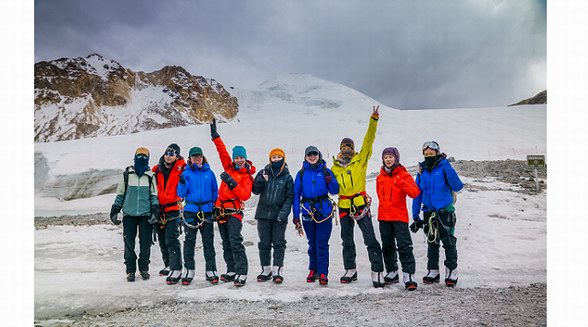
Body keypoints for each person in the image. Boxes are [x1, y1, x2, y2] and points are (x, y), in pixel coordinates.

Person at [331, 105, 385, 288]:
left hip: (360, 205)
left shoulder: (360, 160)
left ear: (353, 149)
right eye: (343, 146)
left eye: (349, 146)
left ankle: (377, 270)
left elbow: (368, 141)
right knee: (347, 239)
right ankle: (350, 270)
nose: (346, 149)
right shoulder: (334, 167)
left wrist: (373, 121)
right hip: (344, 205)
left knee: (369, 237)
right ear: (340, 148)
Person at [210, 119, 256, 287]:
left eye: (241, 157)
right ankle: (231, 269)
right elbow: (222, 153)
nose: (238, 160)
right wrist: (216, 137)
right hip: (221, 211)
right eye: (236, 157)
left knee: (235, 240)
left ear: (245, 158)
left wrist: (232, 183)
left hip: (234, 212)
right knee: (226, 242)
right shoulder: (229, 168)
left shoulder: (247, 176)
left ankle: (242, 271)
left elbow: (244, 195)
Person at [411, 141, 464, 287]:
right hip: (428, 212)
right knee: (432, 242)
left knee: (448, 242)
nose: (428, 156)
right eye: (426, 154)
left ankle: (451, 270)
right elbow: (417, 193)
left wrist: (446, 164)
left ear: (437, 153)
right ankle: (433, 271)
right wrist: (415, 216)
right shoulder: (422, 171)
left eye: (431, 154)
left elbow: (458, 186)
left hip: (444, 211)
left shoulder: (444, 167)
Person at [109, 147, 160, 282]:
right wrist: (115, 209)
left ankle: (144, 268)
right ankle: (130, 270)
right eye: (139, 156)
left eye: (144, 156)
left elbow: (154, 195)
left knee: (145, 243)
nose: (141, 159)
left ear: (148, 158)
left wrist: (155, 210)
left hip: (145, 215)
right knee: (129, 243)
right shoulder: (127, 175)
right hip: (129, 215)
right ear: (135, 157)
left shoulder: (150, 176)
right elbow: (120, 194)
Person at [293, 146, 339, 286]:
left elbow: (335, 190)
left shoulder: (326, 171)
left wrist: (330, 180)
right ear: (305, 157)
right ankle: (313, 269)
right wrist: (296, 216)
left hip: (324, 211)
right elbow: (296, 195)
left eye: (314, 154)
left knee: (322, 243)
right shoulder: (301, 174)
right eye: (309, 155)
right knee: (312, 243)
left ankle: (323, 272)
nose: (312, 157)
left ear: (318, 155)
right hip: (308, 212)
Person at [376, 147, 421, 290]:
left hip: (399, 217)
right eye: (386, 157)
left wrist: (400, 181)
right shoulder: (380, 177)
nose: (388, 160)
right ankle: (392, 271)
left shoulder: (404, 175)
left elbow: (415, 193)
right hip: (384, 217)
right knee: (387, 246)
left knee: (404, 246)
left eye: (390, 157)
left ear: (396, 158)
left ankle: (409, 275)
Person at [177, 146, 219, 285]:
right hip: (191, 210)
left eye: (199, 156)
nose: (197, 158)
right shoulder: (186, 173)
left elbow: (214, 191)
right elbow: (181, 194)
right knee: (189, 241)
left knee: (208, 241)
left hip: (206, 210)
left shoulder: (210, 173)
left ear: (202, 157)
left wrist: (213, 206)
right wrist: (182, 183)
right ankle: (189, 270)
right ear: (190, 159)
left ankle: (211, 270)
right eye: (194, 156)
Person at [252, 148, 294, 284]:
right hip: (263, 214)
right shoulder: (263, 173)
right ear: (270, 159)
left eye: (278, 157)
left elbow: (289, 198)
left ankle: (277, 270)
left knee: (279, 243)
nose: (276, 159)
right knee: (263, 244)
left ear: (283, 159)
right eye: (274, 157)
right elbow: (255, 190)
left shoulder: (287, 177)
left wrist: (283, 213)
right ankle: (266, 269)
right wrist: (261, 180)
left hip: (278, 217)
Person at [152, 143, 186, 285]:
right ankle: (168, 264)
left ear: (177, 156)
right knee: (162, 239)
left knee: (171, 239)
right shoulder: (157, 169)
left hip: (173, 209)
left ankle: (176, 268)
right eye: (167, 153)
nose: (169, 156)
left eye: (172, 154)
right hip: (160, 209)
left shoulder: (182, 169)